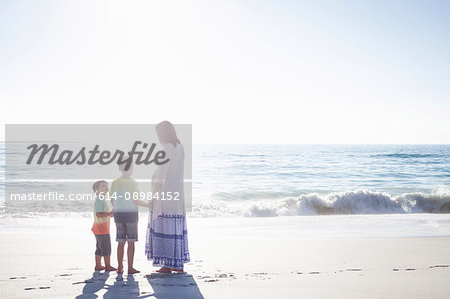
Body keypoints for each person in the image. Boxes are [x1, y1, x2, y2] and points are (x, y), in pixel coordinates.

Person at [145, 121, 190, 273]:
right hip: (176, 194)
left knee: (164, 227)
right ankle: (177, 263)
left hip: (165, 195)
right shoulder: (180, 148)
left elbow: (161, 176)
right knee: (174, 228)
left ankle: (167, 265)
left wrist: (152, 196)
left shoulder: (166, 149)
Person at [110, 158, 143, 274]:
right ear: (132, 169)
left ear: (119, 168)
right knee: (131, 242)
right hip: (131, 215)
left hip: (119, 215)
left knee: (120, 242)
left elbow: (112, 199)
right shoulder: (133, 183)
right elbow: (135, 200)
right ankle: (130, 268)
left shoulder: (115, 182)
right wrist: (148, 204)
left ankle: (120, 267)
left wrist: (116, 209)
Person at [91, 180, 116, 272]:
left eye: (106, 186)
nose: (106, 188)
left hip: (99, 228)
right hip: (101, 229)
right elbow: (99, 214)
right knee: (106, 248)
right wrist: (109, 213)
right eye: (103, 186)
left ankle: (98, 265)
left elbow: (105, 214)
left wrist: (110, 214)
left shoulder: (102, 200)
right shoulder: (99, 200)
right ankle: (108, 266)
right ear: (96, 190)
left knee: (99, 247)